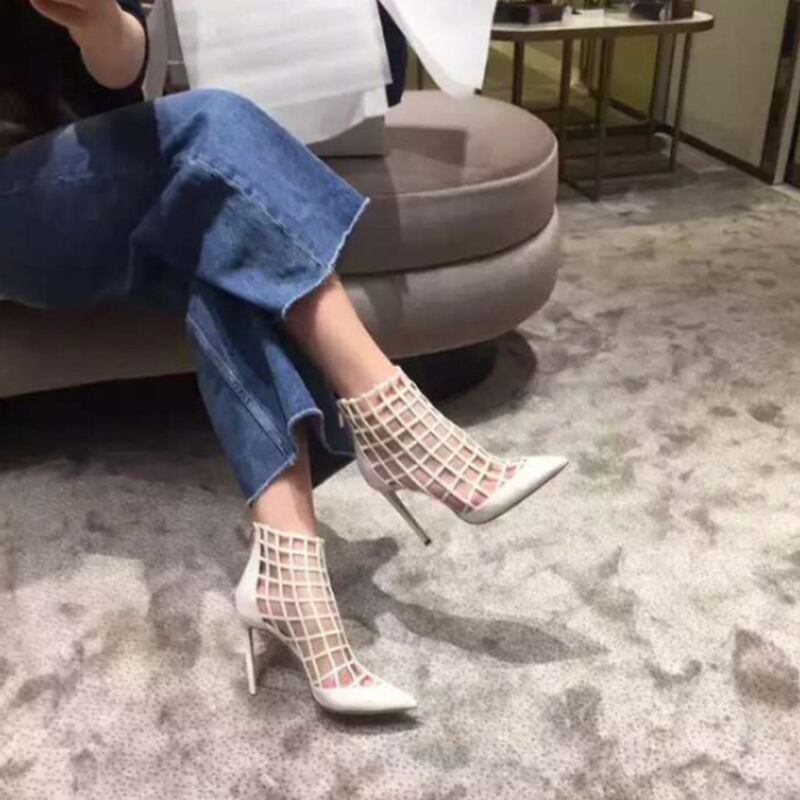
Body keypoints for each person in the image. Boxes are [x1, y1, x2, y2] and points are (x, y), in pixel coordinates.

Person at [0, 0, 567, 715]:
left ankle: (287, 573)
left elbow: (123, 66)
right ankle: (393, 421)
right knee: (215, 123)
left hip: (81, 180)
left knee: (222, 238)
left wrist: (94, 20)